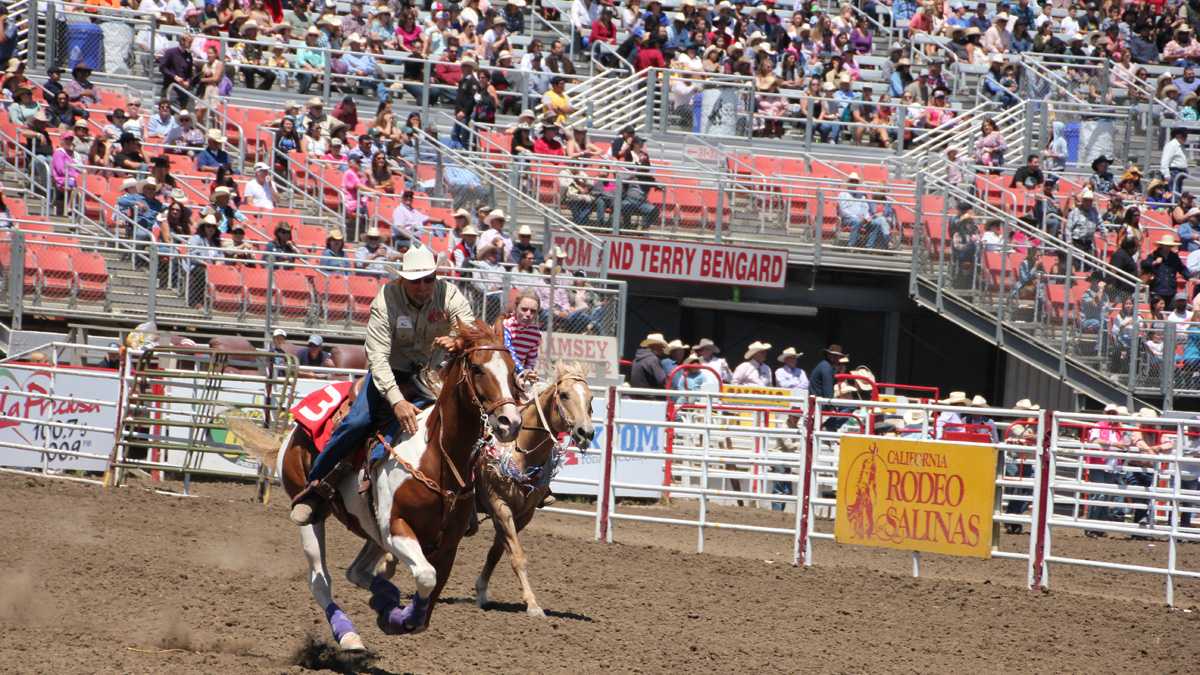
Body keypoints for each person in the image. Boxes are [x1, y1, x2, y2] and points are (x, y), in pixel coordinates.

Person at [289, 245, 475, 524]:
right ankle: (315, 485)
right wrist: (397, 400)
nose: (424, 286)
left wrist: (458, 339)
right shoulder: (387, 299)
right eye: (416, 280)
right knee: (358, 421)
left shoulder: (448, 294)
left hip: (430, 376)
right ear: (403, 280)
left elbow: (469, 327)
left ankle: (471, 494)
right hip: (390, 374)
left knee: (464, 422)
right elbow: (377, 356)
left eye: (429, 279)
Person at [503, 290, 542, 381]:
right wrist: (522, 371)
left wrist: (529, 372)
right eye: (524, 309)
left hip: (518, 376)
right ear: (516, 307)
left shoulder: (535, 334)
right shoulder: (505, 325)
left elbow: (531, 361)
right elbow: (509, 352)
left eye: (533, 311)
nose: (528, 314)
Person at [1141, 233, 1190, 307]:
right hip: (1156, 289)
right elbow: (1144, 264)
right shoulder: (1154, 255)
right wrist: (1154, 262)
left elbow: (1181, 268)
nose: (1168, 248)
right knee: (1156, 310)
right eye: (1166, 246)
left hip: (1171, 290)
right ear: (1162, 246)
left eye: (1169, 246)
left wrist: (1189, 277)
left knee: (1170, 310)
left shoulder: (1174, 257)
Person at [1162, 128, 1190, 198]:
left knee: (1177, 193)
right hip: (1174, 172)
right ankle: (1173, 207)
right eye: (1184, 136)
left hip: (1179, 173)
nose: (1185, 138)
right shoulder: (1171, 145)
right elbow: (1165, 160)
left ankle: (1175, 206)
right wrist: (1166, 175)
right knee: (1174, 194)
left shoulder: (1180, 146)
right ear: (1178, 136)